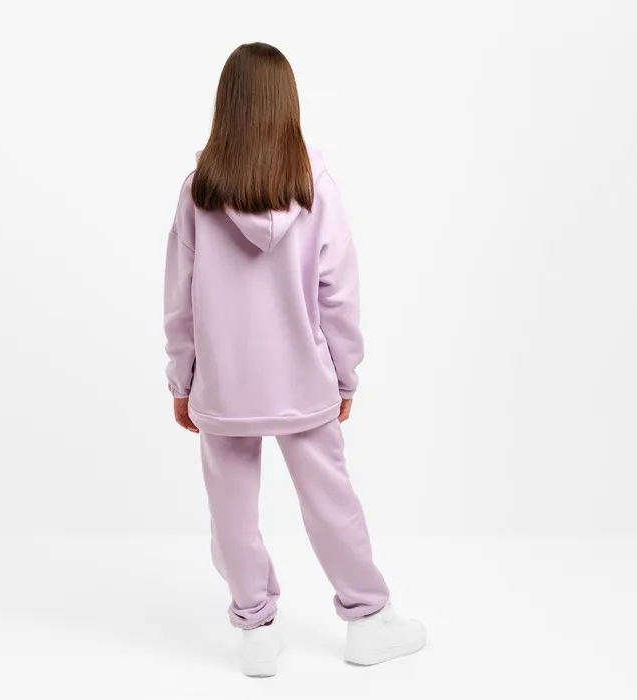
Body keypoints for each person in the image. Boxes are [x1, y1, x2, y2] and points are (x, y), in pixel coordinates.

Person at [163, 42, 425, 677]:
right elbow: (339, 293)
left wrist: (183, 378)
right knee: (331, 499)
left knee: (231, 507)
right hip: (303, 378)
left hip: (224, 384)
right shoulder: (315, 187)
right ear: (287, 105)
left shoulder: (199, 192)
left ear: (227, 105)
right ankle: (368, 620)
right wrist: (344, 374)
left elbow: (180, 297)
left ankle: (255, 629)